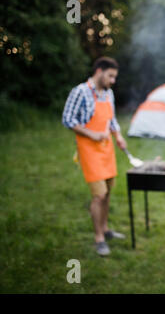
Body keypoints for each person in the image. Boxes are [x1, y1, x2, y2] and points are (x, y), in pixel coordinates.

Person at [62, 56, 127, 256]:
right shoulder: (80, 91)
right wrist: (92, 134)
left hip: (106, 149)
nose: (113, 81)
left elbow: (112, 120)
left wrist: (119, 136)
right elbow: (67, 119)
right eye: (110, 76)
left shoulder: (108, 94)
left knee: (107, 192)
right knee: (98, 195)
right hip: (89, 149)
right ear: (99, 71)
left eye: (115, 77)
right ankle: (98, 238)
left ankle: (106, 229)